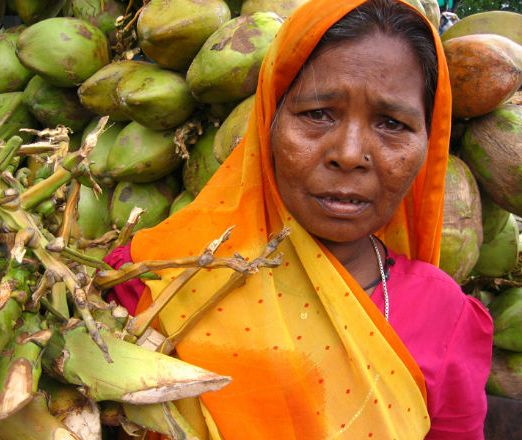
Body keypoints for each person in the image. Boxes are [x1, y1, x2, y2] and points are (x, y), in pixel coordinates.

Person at [105, 0, 493, 438]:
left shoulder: (444, 317)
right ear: (268, 119)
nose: (348, 154)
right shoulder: (153, 280)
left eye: (391, 123)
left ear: (428, 140)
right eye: (317, 114)